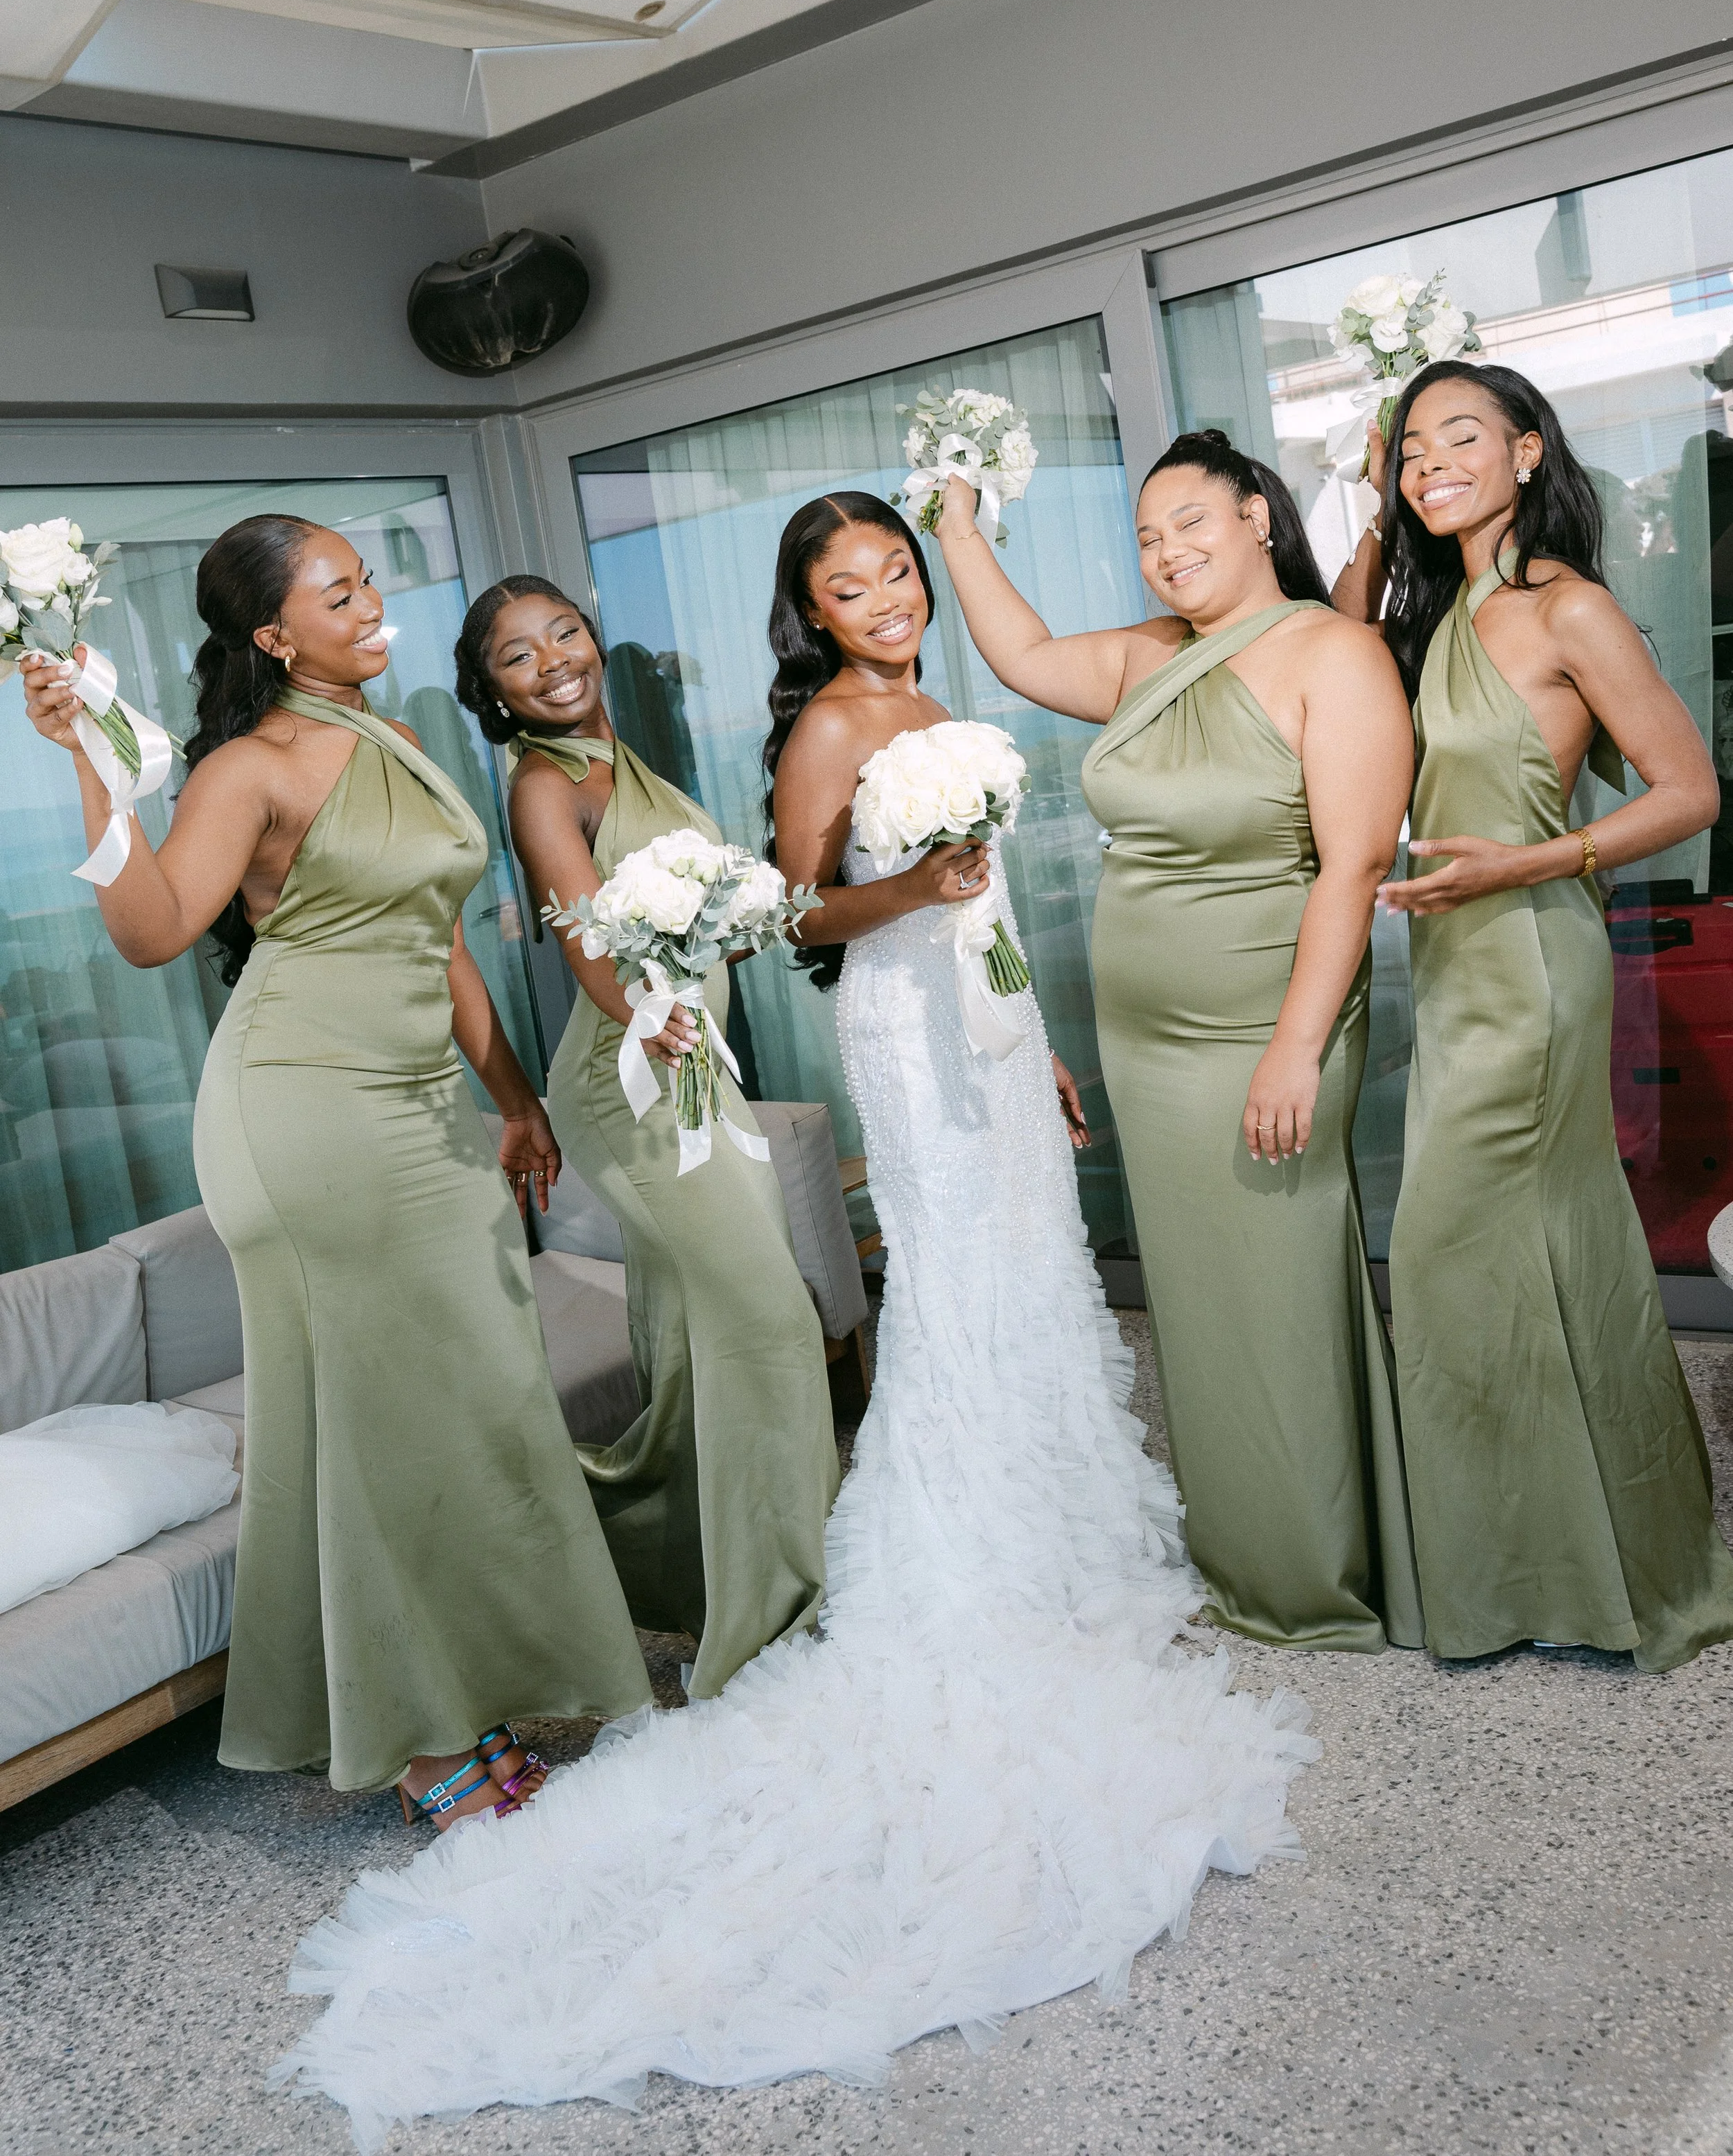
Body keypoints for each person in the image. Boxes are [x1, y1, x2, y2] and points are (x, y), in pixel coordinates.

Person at [276, 491, 1313, 2137]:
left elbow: (924, 903)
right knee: (875, 1305)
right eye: (852, 583)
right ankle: (808, 1599)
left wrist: (1026, 1026)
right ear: (810, 612)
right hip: (830, 1040)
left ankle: (897, 1546)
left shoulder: (858, 712)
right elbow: (796, 907)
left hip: (970, 1020)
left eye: (900, 569)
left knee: (1004, 1283)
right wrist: (833, 930)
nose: (887, 597)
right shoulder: (774, 737)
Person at [23, 516, 651, 1828]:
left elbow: (443, 941)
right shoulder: (246, 769)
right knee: (382, 1421)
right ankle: (419, 1738)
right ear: (273, 634)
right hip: (305, 1112)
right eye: (340, 592)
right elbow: (150, 931)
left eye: (368, 584)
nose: (372, 606)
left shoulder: (394, 735)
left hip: (424, 1110)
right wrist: (91, 761)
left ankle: (478, 1677)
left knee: (481, 1395)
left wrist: (514, 1097)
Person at [933, 432, 1424, 1654]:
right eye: (1148, 537)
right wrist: (957, 525)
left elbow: (1355, 864)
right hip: (1148, 1045)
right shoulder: (1150, 656)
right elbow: (1022, 654)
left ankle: (1315, 1567)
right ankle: (1243, 1545)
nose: (1167, 552)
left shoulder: (1335, 652)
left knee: (1278, 1286)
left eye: (1190, 522)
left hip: (1267, 1025)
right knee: (1200, 1305)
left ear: (1257, 515)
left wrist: (1295, 1049)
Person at [1334, 361, 1733, 1669]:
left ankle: (1580, 1569)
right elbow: (1335, 645)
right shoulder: (1438, 610)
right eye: (1410, 449)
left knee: (1450, 1254)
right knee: (1518, 1260)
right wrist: (1377, 509)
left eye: (1462, 437)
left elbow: (1688, 791)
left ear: (1526, 452)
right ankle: (1541, 1564)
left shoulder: (1571, 607)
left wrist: (1530, 860)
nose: (1430, 464)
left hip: (1533, 961)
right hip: (1459, 963)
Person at [453, 575, 837, 1700]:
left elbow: (700, 930)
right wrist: (646, 1013)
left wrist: (745, 916)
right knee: (769, 1316)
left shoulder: (629, 764)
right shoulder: (542, 784)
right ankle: (788, 1604)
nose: (553, 660)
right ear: (494, 691)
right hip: (630, 1075)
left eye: (564, 632)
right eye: (519, 655)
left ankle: (675, 1569)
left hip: (692, 1062)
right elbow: (587, 940)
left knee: (691, 1336)